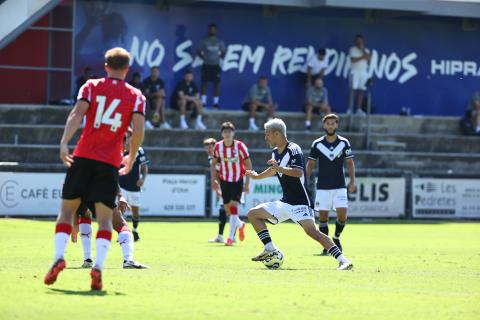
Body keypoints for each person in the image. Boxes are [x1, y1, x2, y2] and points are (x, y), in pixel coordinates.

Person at [43, 47, 145, 290]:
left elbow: (77, 113)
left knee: (67, 212)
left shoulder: (90, 86)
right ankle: (98, 266)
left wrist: (64, 142)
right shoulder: (136, 96)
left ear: (106, 66)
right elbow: (139, 130)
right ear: (127, 69)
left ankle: (59, 257)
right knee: (105, 219)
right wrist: (130, 157)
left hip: (83, 156)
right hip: (109, 162)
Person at [246, 118, 353, 270]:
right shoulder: (275, 152)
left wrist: (279, 168)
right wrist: (257, 176)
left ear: (277, 134)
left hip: (300, 202)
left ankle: (343, 260)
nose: (266, 138)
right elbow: (274, 169)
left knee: (313, 232)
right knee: (253, 214)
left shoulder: (293, 149)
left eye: (267, 134)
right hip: (285, 202)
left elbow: (298, 172)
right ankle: (270, 248)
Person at [306, 114, 356, 255]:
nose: (330, 126)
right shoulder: (317, 144)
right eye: (328, 123)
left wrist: (353, 180)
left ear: (337, 125)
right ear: (324, 125)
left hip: (340, 186)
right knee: (323, 218)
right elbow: (310, 164)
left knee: (342, 216)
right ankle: (327, 246)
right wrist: (304, 181)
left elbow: (350, 163)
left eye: (333, 123)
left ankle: (336, 237)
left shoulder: (344, 143)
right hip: (322, 186)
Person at [73, 194, 148, 269]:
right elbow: (113, 181)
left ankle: (87, 259)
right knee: (121, 225)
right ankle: (128, 260)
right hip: (100, 190)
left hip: (81, 193)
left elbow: (72, 188)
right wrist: (120, 196)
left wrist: (75, 223)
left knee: (85, 214)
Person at [211, 122, 251, 246]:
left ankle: (230, 238)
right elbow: (213, 164)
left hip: (238, 180)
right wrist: (214, 181)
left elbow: (248, 164)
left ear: (233, 133)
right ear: (222, 134)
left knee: (234, 208)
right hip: (224, 180)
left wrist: (247, 183)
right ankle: (240, 224)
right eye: (225, 132)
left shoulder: (240, 146)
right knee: (229, 211)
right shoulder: (218, 147)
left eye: (229, 131)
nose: (227, 134)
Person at [119, 128, 149, 241]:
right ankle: (123, 233)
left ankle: (135, 229)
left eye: (128, 136)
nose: (127, 139)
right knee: (120, 209)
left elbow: (145, 167)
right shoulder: (118, 149)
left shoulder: (138, 150)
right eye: (125, 136)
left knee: (135, 211)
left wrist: (143, 178)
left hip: (134, 186)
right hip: (121, 184)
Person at [203, 137, 228, 243]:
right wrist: (218, 187)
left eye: (210, 147)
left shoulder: (220, 156)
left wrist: (220, 188)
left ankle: (221, 236)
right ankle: (233, 234)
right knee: (228, 210)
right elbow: (217, 174)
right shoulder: (211, 158)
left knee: (225, 210)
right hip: (224, 184)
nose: (208, 149)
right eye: (206, 147)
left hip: (231, 183)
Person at [197, 23, 226, 109]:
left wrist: (219, 58)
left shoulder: (219, 42)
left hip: (216, 65)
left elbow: (223, 51)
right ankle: (203, 102)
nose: (212, 31)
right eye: (210, 29)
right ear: (208, 30)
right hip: (206, 65)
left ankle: (216, 103)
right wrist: (204, 57)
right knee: (204, 83)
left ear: (216, 31)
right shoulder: (204, 41)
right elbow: (198, 50)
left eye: (213, 29)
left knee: (216, 84)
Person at [348, 34, 370, 115]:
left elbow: (368, 58)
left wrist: (362, 50)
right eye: (357, 40)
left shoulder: (366, 50)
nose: (358, 42)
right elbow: (353, 60)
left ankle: (358, 109)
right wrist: (362, 57)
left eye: (360, 40)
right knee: (352, 90)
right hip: (354, 71)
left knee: (361, 90)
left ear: (362, 41)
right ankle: (349, 109)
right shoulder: (352, 49)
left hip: (363, 72)